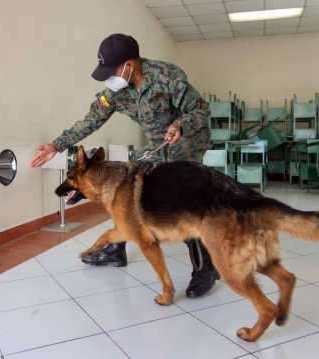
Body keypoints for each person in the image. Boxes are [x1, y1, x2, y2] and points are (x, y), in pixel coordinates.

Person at [30, 33, 219, 298]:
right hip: (157, 145)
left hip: (187, 143)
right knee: (123, 187)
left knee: (183, 203)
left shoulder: (168, 76)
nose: (109, 78)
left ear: (129, 65)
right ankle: (116, 250)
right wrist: (56, 145)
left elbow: (201, 111)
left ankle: (205, 269)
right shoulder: (117, 91)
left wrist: (180, 124)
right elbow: (91, 120)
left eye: (112, 71)